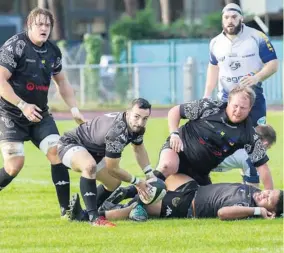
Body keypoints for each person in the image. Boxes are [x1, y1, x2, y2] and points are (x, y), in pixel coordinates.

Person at [0, 8, 85, 218]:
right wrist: (22, 105)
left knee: (57, 152)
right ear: (30, 25)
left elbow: (62, 82)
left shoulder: (53, 51)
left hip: (39, 114)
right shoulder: (15, 45)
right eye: (39, 24)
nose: (44, 28)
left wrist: (74, 108)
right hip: (10, 113)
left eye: (47, 25)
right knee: (14, 165)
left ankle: (66, 211)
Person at [57, 98, 155, 227]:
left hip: (93, 152)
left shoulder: (137, 127)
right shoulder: (116, 133)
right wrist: (137, 182)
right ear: (128, 112)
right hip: (70, 144)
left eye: (144, 118)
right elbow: (112, 168)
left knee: (113, 182)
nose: (140, 122)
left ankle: (82, 214)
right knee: (89, 166)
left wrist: (149, 173)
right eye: (136, 117)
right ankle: (94, 218)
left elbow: (138, 147)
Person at [154, 85, 271, 186]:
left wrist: (270, 196)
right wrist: (174, 134)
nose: (238, 111)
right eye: (235, 106)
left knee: (195, 206)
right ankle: (139, 202)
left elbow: (263, 166)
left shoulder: (249, 133)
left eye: (243, 108)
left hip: (199, 172)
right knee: (166, 166)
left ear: (250, 109)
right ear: (229, 102)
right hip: (179, 151)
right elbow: (175, 111)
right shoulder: (209, 106)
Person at [69, 173, 283, 221]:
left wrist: (258, 210)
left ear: (270, 210)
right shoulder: (252, 191)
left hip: (187, 205)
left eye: (267, 199)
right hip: (192, 188)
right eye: (269, 191)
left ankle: (89, 215)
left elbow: (222, 213)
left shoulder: (247, 206)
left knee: (139, 206)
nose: (264, 194)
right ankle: (127, 193)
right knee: (163, 177)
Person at [203, 3, 278, 126]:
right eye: (226, 17)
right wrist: (207, 94)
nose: (230, 21)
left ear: (241, 18)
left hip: (254, 98)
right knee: (227, 141)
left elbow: (273, 64)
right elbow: (213, 67)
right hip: (226, 100)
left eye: (234, 17)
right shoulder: (215, 42)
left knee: (257, 139)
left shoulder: (258, 37)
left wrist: (256, 77)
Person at [212, 124, 276, 189]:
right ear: (265, 143)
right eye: (267, 148)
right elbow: (251, 192)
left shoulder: (240, 135)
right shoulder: (252, 158)